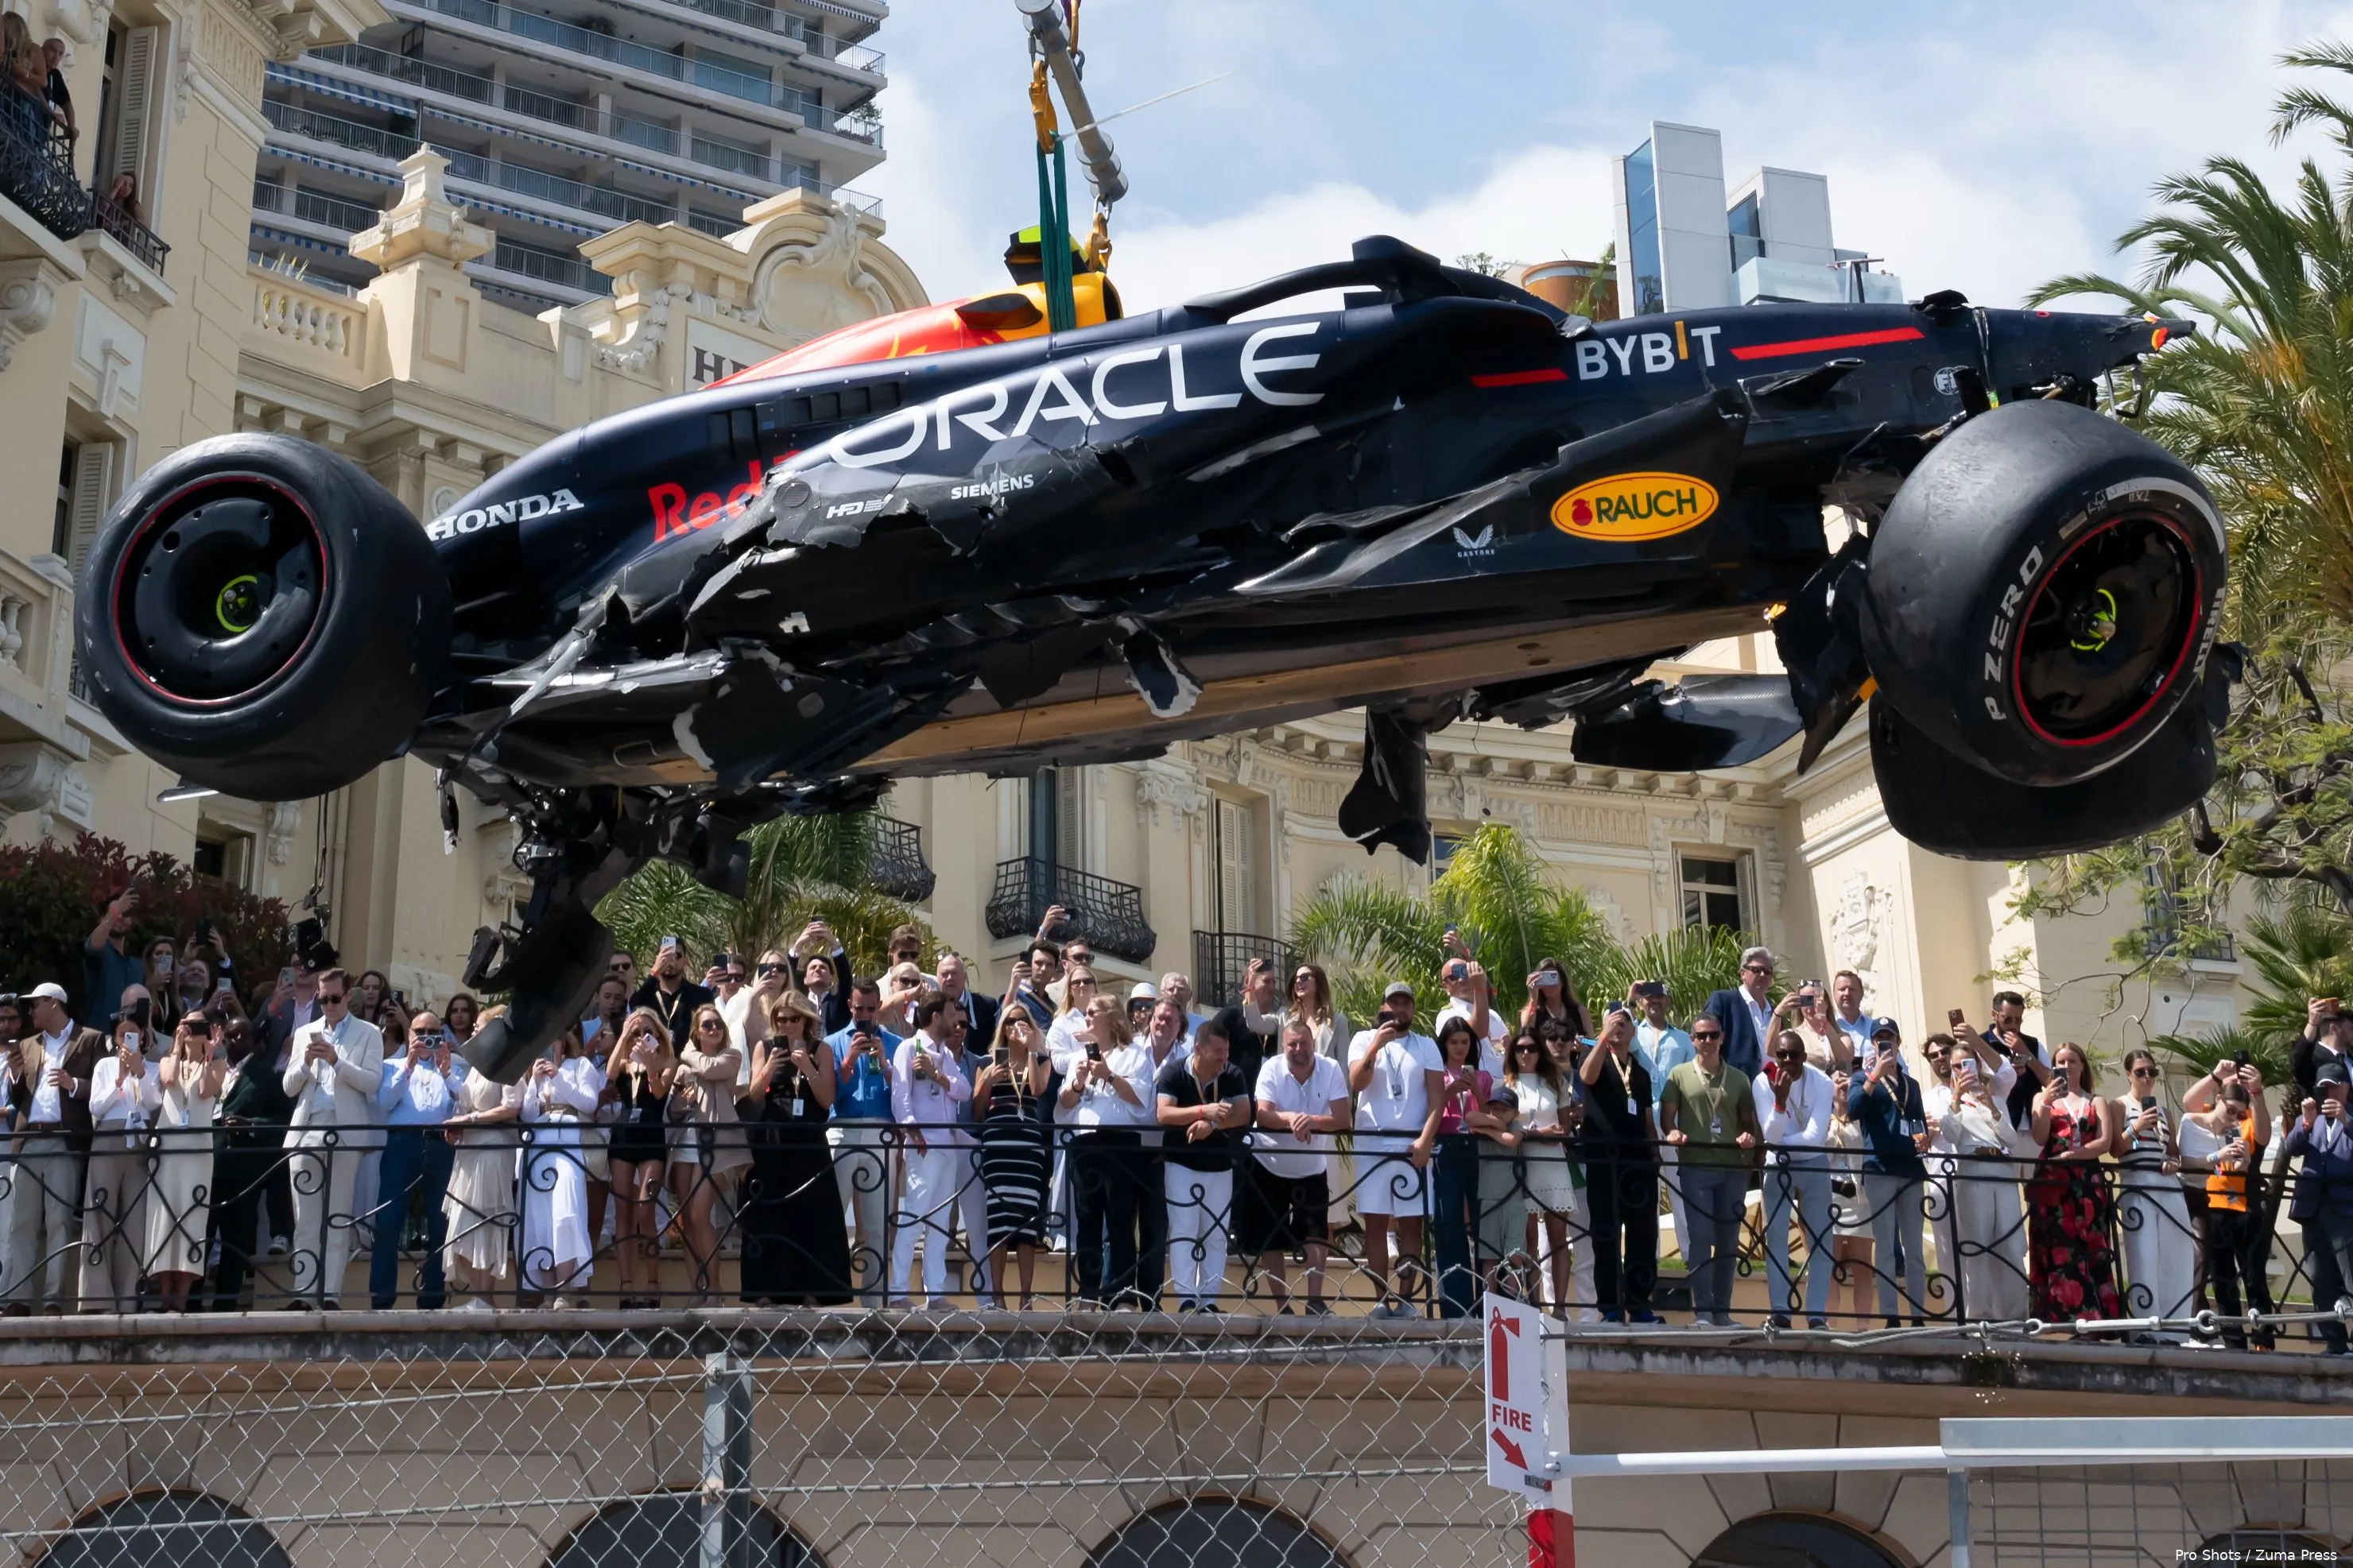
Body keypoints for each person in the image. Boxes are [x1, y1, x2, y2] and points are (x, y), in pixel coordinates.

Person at [739, 993, 851, 1306]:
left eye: (793, 1019)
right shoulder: (765, 1047)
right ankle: (766, 1290)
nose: (787, 1025)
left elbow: (827, 1099)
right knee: (769, 1214)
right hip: (773, 1140)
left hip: (809, 1141)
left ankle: (813, 1290)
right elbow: (754, 1096)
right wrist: (768, 1070)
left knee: (812, 1215)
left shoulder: (822, 1049)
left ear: (806, 1020)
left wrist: (809, 1068)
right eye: (782, 1019)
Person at [277, 970, 382, 1308]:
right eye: (323, 1000)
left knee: (338, 1217)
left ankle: (331, 1295)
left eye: (334, 999)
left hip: (346, 1129)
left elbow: (372, 1083)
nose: (329, 1005)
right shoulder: (306, 1031)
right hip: (307, 1129)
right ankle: (305, 1295)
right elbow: (288, 1087)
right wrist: (306, 1062)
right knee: (305, 1219)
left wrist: (338, 1061)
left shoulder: (369, 1033)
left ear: (348, 996)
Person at [2, 983, 102, 1314]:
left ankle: (53, 1299)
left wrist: (74, 1085)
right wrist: (15, 1077)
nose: (30, 1012)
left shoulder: (89, 1039)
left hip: (64, 1139)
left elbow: (102, 1089)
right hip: (29, 1138)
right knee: (21, 1222)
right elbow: (20, 1099)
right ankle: (17, 1297)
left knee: (59, 1221)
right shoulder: (29, 1045)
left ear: (54, 1004)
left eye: (35, 1005)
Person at [1347, 981, 1443, 1319]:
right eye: (1394, 1004)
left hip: (1411, 1146)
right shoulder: (1362, 1039)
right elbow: (1357, 1083)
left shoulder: (1427, 1045)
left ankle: (1405, 1300)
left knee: (1410, 1226)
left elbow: (1437, 1098)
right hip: (1372, 1145)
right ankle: (1380, 1300)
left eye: (1406, 1004)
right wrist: (1376, 1043)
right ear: (1384, 1007)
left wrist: (1426, 1141)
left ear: (1413, 1009)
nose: (1400, 1010)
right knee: (1374, 1225)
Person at [1657, 1011, 1760, 1327]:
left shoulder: (1740, 1079)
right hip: (1695, 1167)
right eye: (1701, 1036)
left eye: (1713, 1035)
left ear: (1722, 1038)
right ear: (1692, 1040)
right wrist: (1671, 1132)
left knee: (1729, 1241)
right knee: (1700, 1238)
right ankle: (1703, 1311)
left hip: (1732, 1169)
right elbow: (1666, 1118)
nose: (1707, 1041)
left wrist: (1747, 1137)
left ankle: (1722, 1312)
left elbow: (1749, 1125)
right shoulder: (1679, 1074)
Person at [1247, 1017, 1349, 1314]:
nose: (1298, 1049)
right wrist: (1293, 1119)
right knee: (1271, 1238)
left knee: (1316, 1233)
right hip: (1269, 1164)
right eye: (1292, 1044)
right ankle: (1282, 1306)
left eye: (1304, 1043)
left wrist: (1312, 1121)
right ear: (1283, 1046)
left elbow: (1342, 1119)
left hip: (1312, 1167)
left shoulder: (1330, 1069)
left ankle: (1315, 1301)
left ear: (1313, 1045)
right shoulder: (1271, 1068)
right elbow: (1263, 1115)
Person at [366, 1009, 461, 1310]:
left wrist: (446, 1071)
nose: (426, 1039)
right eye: (420, 1032)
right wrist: (407, 1066)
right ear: (409, 1035)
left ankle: (433, 1296)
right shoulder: (391, 1066)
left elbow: (465, 1101)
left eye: (433, 1033)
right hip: (401, 1144)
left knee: (440, 1221)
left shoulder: (456, 1067)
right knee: (389, 1220)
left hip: (442, 1145)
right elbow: (383, 1103)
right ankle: (382, 1299)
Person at [1060, 995, 1153, 1307]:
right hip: (1085, 1145)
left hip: (1120, 1145)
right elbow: (1064, 1104)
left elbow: (1142, 1100)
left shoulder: (1134, 1054)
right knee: (1087, 1222)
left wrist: (1109, 1075)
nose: (1086, 1018)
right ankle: (1088, 1293)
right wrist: (1079, 1082)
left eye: (1091, 1013)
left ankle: (1121, 1295)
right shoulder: (1077, 1057)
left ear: (1110, 1017)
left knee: (1120, 1220)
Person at [1155, 1014, 1251, 1311]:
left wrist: (1213, 1125)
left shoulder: (1232, 1073)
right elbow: (1163, 1114)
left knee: (1216, 1235)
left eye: (1226, 1052)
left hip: (1220, 1166)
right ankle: (1185, 1300)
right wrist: (1202, 1111)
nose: (1224, 1059)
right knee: (1184, 1230)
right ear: (1198, 1049)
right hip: (1180, 1165)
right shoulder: (1174, 1072)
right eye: (1218, 1053)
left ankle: (1209, 1301)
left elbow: (1245, 1113)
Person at [2178, 1062, 2273, 1350]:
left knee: (2254, 1275)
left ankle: (2263, 1337)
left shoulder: (2245, 1121)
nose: (2233, 1115)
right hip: (2213, 1205)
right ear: (2218, 1100)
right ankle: (2233, 1339)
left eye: (2238, 1110)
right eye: (2229, 1108)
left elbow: (2265, 1136)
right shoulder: (2205, 1116)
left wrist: (2256, 1092)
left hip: (2245, 1207)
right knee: (2222, 1278)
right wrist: (2217, 1076)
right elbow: (2188, 1102)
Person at [2026, 1041, 2122, 1323]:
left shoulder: (2096, 1101)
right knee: (2056, 1246)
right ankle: (2060, 1317)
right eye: (2061, 1062)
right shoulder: (2041, 1099)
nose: (2066, 1067)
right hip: (2053, 1182)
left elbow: (2104, 1141)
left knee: (2091, 1244)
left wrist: (2076, 1154)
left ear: (2082, 1066)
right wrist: (2045, 1101)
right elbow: (2040, 1137)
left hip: (2087, 1180)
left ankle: (2097, 1318)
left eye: (2072, 1061)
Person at [1845, 1020, 1932, 1326]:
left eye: (1889, 1039)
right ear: (1871, 1044)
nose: (1885, 1044)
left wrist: (1925, 1138)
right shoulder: (1861, 1078)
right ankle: (1891, 1315)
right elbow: (1852, 1110)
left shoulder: (1912, 1084)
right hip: (1880, 1168)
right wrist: (1873, 1077)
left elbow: (1918, 1121)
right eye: (1879, 1039)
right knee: (1885, 1246)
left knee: (1914, 1249)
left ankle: (1918, 1316)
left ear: (1898, 1042)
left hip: (1910, 1169)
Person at [1576, 1005, 1660, 1323]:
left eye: (1625, 1023)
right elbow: (1587, 1076)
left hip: (1637, 1162)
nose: (1620, 1027)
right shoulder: (1595, 1056)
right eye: (1615, 1022)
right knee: (1606, 1234)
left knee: (1643, 1233)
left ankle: (1639, 1304)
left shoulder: (1639, 1069)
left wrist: (1654, 1154)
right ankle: (1610, 1306)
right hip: (1604, 1160)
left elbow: (1647, 1115)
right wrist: (1602, 1037)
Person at [889, 994, 971, 1306]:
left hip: (947, 1146)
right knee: (914, 1217)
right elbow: (901, 1095)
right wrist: (912, 1131)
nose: (955, 1023)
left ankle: (935, 1293)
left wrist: (939, 1075)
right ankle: (898, 1291)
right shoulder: (908, 1048)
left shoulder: (945, 1055)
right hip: (923, 1145)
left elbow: (964, 1090)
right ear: (937, 1016)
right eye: (952, 1015)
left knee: (938, 1222)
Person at [206, 1016, 293, 1311]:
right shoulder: (211, 1070)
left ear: (256, 1042)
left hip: (243, 1171)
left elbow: (284, 1120)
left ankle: (225, 1306)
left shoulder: (266, 1075)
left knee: (235, 1238)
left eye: (244, 1036)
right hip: (207, 1167)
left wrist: (251, 1124)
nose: (236, 1041)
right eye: (231, 1036)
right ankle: (191, 1301)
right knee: (200, 1235)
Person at [1941, 1054, 2035, 1324]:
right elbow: (1950, 1135)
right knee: (1977, 1245)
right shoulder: (1951, 1102)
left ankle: (2016, 1317)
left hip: (2002, 1168)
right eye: (1958, 1065)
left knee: (2010, 1244)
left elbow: (2010, 1139)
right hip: (1973, 1169)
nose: (1964, 1070)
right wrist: (1957, 1100)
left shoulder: (1996, 1100)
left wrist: (1991, 1107)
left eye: (1968, 1064)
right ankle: (1980, 1318)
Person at [440, 1009, 525, 1311]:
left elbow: (511, 1107)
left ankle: (485, 1297)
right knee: (465, 1221)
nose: (474, 1032)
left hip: (494, 1149)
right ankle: (479, 1296)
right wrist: (449, 1075)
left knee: (486, 1219)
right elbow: (466, 1102)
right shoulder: (479, 1066)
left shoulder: (509, 1063)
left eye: (479, 1027)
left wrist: (472, 1119)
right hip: (471, 1150)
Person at [517, 1027, 603, 1305]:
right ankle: (547, 1292)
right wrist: (535, 1081)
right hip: (539, 1143)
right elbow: (528, 1114)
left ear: (563, 1040)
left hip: (567, 1139)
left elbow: (589, 1104)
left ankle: (565, 1289)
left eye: (551, 1038)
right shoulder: (535, 1071)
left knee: (567, 1210)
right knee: (540, 1215)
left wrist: (559, 1076)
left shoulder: (580, 1066)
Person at [972, 1010, 1052, 1308]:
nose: (1015, 1025)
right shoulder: (986, 1061)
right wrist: (988, 1082)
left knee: (1026, 1220)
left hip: (1027, 1149)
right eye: (1009, 1020)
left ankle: (1026, 1295)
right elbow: (977, 1112)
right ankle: (997, 1294)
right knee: (999, 1220)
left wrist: (1031, 1048)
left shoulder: (1041, 1059)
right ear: (1001, 1028)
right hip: (997, 1148)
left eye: (1022, 1020)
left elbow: (1037, 1090)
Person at [145, 1012, 224, 1311]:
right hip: (168, 1149)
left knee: (192, 1218)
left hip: (197, 1151)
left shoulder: (217, 1064)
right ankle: (165, 1295)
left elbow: (205, 1090)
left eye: (199, 1026)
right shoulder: (168, 1061)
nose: (193, 1031)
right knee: (164, 1218)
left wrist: (209, 1053)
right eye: (188, 1025)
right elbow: (167, 1079)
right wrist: (177, 1045)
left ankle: (182, 1297)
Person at [824, 981, 897, 1305]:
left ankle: (875, 1306)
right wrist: (848, 1062)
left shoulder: (896, 1043)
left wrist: (884, 1064)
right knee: (830, 1217)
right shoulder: (831, 1044)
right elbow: (828, 1096)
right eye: (858, 1009)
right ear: (850, 1007)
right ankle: (826, 1295)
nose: (864, 1015)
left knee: (877, 1223)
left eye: (870, 1008)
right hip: (842, 1128)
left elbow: (904, 1095)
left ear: (879, 1005)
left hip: (881, 1132)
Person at [1756, 1029, 1835, 1328]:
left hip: (1814, 1163)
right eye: (1782, 1055)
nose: (1788, 1060)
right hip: (1778, 1167)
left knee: (1821, 1239)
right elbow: (1771, 1135)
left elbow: (1816, 1139)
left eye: (1794, 1054)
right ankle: (1780, 1310)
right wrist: (1779, 1103)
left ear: (1804, 1056)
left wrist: (1779, 1142)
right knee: (1775, 1236)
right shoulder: (1763, 1082)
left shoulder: (1822, 1082)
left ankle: (1816, 1313)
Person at [2114, 1047, 2196, 1327]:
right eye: (2140, 1072)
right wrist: (2135, 1128)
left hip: (2167, 1184)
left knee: (2177, 1253)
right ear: (2129, 1075)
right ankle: (2145, 1326)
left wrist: (2173, 1162)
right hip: (2138, 1183)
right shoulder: (2119, 1106)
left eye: (2152, 1072)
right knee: (2144, 1254)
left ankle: (2176, 1327)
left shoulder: (2165, 1112)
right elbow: (2117, 1148)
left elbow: (2173, 1152)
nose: (2147, 1077)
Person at [80, 1006, 157, 1312]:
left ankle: (127, 1299)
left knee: (135, 1222)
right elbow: (96, 1107)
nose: (129, 1040)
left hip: (138, 1143)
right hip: (109, 1139)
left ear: (143, 1037)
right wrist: (119, 1080)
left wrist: (139, 1072)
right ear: (115, 1040)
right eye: (123, 1036)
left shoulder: (150, 1068)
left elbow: (154, 1103)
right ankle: (97, 1299)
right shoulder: (104, 1066)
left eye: (134, 1034)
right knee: (98, 1215)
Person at [672, 1003, 748, 1304]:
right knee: (688, 1221)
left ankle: (714, 1289)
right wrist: (680, 1098)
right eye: (707, 1025)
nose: (714, 1028)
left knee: (700, 1214)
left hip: (719, 1144)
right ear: (697, 1031)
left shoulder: (731, 1056)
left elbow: (709, 1069)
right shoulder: (683, 1068)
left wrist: (688, 1053)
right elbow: (674, 1111)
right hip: (686, 1143)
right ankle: (697, 1288)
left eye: (717, 1024)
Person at [1510, 1020, 1586, 1315]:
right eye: (1520, 1048)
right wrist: (1537, 1134)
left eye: (1531, 1048)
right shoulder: (1506, 1084)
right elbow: (1504, 1127)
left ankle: (1561, 1308)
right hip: (1523, 1164)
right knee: (1529, 1241)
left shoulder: (1555, 1081)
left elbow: (1566, 1126)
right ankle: (1533, 1303)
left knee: (1558, 1240)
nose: (1526, 1053)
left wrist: (1557, 1133)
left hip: (1554, 1163)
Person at [602, 1008, 675, 1309]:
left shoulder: (668, 1060)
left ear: (657, 1034)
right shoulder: (624, 1060)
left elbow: (658, 1094)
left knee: (645, 1210)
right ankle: (626, 1286)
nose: (640, 1038)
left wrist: (650, 1065)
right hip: (623, 1137)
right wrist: (623, 1036)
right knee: (623, 1212)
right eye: (636, 1032)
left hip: (651, 1136)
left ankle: (653, 1283)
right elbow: (609, 1075)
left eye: (646, 1031)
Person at [2283, 1062, 2353, 1355]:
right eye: (2323, 1088)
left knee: (2350, 1274)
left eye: (2333, 1087)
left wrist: (2348, 1122)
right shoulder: (2310, 1118)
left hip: (2346, 1209)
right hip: (2312, 1207)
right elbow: (2290, 1147)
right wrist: (2306, 1124)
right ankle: (2334, 1344)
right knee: (2320, 1278)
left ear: (2346, 1087)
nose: (2328, 1093)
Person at [1630, 981, 1695, 1262]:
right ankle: (1649, 1261)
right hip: (1641, 1121)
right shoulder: (1633, 1033)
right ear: (1642, 1002)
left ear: (1667, 1001)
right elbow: (1613, 1031)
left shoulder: (1682, 1039)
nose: (1654, 1001)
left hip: (1673, 1123)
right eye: (1648, 997)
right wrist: (1630, 997)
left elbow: (1693, 1082)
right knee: (1648, 1196)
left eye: (1659, 996)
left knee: (1680, 1192)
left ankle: (1693, 1258)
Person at [1433, 937, 1505, 1077]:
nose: (1461, 979)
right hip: (1476, 1087)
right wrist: (1479, 987)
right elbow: (1479, 1031)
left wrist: (1466, 953)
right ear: (1444, 987)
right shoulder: (1447, 1015)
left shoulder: (1492, 1015)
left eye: (1464, 972)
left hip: (1505, 1085)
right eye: (1453, 977)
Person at [1700, 947, 1774, 1080]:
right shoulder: (1723, 1002)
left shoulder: (1774, 1012)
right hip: (1735, 1089)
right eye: (1756, 970)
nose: (1763, 975)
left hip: (1771, 1090)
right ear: (1742, 973)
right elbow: (1705, 1044)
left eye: (1767, 971)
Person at [83, 885, 146, 1033]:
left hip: (131, 1043)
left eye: (125, 914)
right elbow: (93, 947)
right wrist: (113, 913)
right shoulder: (101, 952)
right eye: (114, 913)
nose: (119, 917)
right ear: (102, 919)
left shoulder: (137, 966)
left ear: (133, 921)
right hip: (99, 1041)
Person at [632, 937, 714, 1051]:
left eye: (677, 956)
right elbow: (634, 1005)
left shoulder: (702, 995)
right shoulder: (647, 995)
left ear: (686, 960)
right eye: (665, 955)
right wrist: (654, 973)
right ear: (657, 959)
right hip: (653, 1063)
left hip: (690, 1064)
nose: (671, 960)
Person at [788, 920, 853, 1035]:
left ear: (832, 979)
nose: (817, 969)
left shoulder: (840, 1003)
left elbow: (846, 978)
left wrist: (833, 942)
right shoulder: (797, 1004)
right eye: (812, 968)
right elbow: (786, 978)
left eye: (823, 968)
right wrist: (798, 945)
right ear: (805, 979)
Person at [936, 951, 999, 1047]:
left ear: (965, 977)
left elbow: (997, 1044)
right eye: (945, 974)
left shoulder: (987, 1007)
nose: (949, 978)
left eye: (954, 973)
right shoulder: (930, 1009)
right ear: (937, 979)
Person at [1522, 958, 1591, 1040]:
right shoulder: (1532, 1013)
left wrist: (1583, 1046)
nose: (1549, 984)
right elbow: (1525, 1034)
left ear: (1562, 982)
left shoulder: (1580, 1012)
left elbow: (1593, 1045)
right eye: (1545, 978)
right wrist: (1533, 999)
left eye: (1553, 977)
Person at [1828, 971, 1874, 1063]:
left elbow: (1901, 1067)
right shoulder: (1827, 1029)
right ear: (1834, 994)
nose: (1847, 993)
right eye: (1842, 989)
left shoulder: (1875, 1028)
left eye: (1852, 989)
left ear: (1861, 994)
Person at [40, 38, 71, 145]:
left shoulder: (54, 75)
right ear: (42, 49)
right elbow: (34, 92)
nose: (56, 57)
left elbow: (67, 102)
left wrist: (72, 126)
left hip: (40, 132)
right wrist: (52, 113)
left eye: (60, 54)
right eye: (53, 50)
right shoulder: (33, 65)